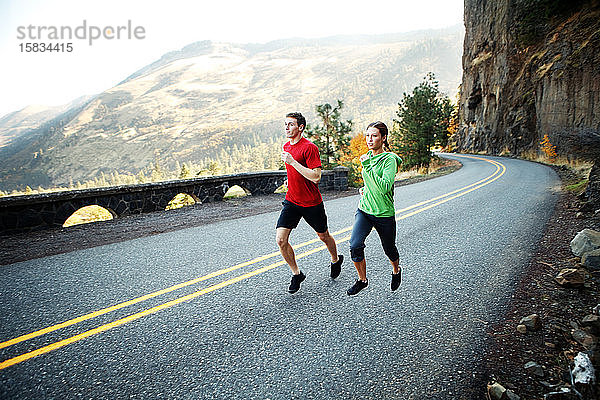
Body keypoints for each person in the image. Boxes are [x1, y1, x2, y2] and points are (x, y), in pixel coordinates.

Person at [276, 112, 344, 293]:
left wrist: (293, 162)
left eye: (291, 124)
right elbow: (295, 172)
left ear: (301, 127)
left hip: (312, 202)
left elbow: (316, 177)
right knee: (281, 240)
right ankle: (297, 274)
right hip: (292, 200)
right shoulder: (286, 146)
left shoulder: (310, 148)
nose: (287, 127)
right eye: (285, 124)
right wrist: (290, 181)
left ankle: (336, 259)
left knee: (323, 236)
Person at [347, 121, 403, 296]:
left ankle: (396, 270)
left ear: (383, 137)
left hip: (384, 213)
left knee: (389, 249)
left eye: (374, 136)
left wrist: (368, 166)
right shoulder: (367, 157)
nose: (370, 139)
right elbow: (371, 182)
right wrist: (365, 189)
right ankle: (362, 280)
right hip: (365, 210)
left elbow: (385, 186)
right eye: (368, 135)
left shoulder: (389, 159)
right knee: (355, 245)